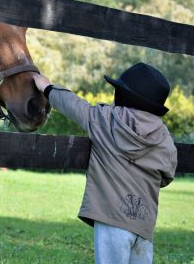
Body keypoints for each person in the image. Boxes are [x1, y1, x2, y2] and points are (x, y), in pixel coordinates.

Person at [33, 62, 178, 264]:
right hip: (143, 224)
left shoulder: (105, 120)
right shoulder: (163, 137)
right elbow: (167, 174)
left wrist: (48, 88)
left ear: (123, 95)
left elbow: (74, 105)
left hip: (111, 221)